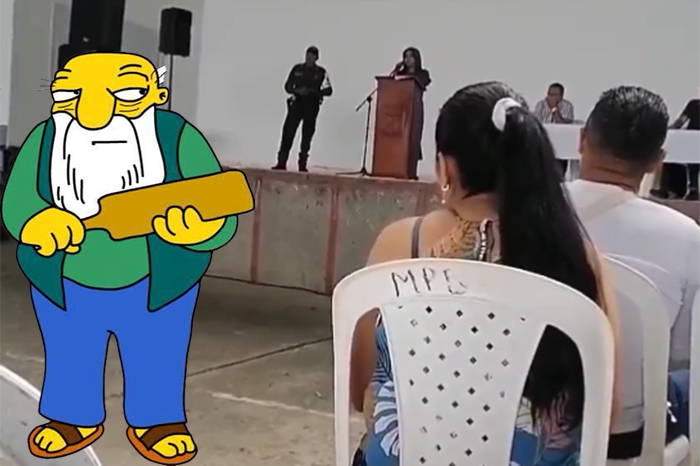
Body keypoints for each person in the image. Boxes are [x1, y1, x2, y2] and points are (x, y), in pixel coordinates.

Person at [349, 81, 623, 466]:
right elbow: (606, 414)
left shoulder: (400, 245)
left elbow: (361, 389)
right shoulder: (581, 259)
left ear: (445, 168)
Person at [567, 85, 694, 458]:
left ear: (582, 140)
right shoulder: (687, 237)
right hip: (622, 437)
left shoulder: (524, 213)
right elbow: (682, 351)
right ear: (657, 161)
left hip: (525, 425)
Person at [272, 46, 333, 172]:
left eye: (312, 56)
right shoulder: (297, 69)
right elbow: (288, 87)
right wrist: (298, 90)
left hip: (311, 106)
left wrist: (314, 92)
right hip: (297, 105)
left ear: (316, 58)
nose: (309, 58)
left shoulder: (321, 72)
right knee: (288, 133)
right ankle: (281, 162)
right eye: (307, 55)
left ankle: (302, 164)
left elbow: (328, 90)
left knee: (307, 136)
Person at [390, 47, 431, 179]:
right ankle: (397, 169)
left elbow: (423, 83)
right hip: (401, 109)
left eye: (410, 56)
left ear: (416, 58)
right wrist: (396, 69)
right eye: (405, 57)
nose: (407, 59)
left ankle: (412, 171)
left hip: (415, 109)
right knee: (398, 140)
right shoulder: (400, 73)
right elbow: (391, 83)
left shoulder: (423, 74)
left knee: (413, 139)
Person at [655, 94, 700, 200]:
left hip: (696, 140)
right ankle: (669, 189)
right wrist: (669, 129)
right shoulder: (693, 104)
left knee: (694, 165)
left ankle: (693, 190)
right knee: (670, 157)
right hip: (690, 139)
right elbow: (681, 120)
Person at [534, 83, 575, 177]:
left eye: (554, 95)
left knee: (558, 172)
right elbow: (536, 122)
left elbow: (564, 125)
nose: (550, 97)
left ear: (561, 96)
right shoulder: (541, 105)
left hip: (561, 145)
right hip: (543, 143)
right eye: (549, 94)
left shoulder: (567, 106)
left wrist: (555, 110)